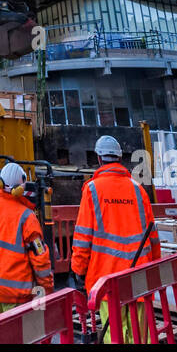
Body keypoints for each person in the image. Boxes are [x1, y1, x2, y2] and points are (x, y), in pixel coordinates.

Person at [70, 135, 161, 339]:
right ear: (120, 158)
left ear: (99, 159)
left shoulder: (92, 190)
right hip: (139, 276)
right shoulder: (138, 190)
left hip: (106, 277)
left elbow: (83, 237)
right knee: (139, 335)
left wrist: (78, 271)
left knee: (114, 334)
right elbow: (153, 237)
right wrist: (154, 269)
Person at [0, 162, 54, 319]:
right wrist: (46, 290)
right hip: (15, 295)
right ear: (21, 187)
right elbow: (40, 261)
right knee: (22, 335)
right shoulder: (27, 218)